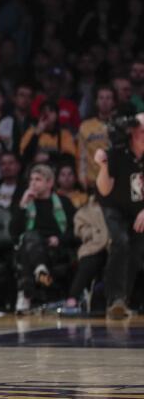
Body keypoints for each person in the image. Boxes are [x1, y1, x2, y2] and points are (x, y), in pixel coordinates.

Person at [94, 112, 144, 319]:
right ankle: (115, 299)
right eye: (141, 130)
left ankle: (125, 299)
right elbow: (105, 191)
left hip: (139, 209)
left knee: (136, 249)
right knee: (121, 241)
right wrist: (103, 166)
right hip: (114, 206)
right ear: (132, 133)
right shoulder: (117, 152)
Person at [10, 164, 76, 313]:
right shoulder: (24, 202)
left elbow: (74, 231)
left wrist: (59, 240)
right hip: (32, 245)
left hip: (55, 247)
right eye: (31, 179)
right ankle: (41, 271)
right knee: (30, 237)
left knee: (27, 248)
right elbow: (13, 233)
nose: (32, 183)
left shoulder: (64, 203)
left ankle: (25, 295)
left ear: (50, 183)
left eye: (38, 179)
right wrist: (22, 205)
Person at [77, 85, 114, 190]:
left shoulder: (120, 125)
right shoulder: (85, 126)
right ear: (96, 101)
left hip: (114, 180)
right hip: (92, 181)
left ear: (114, 102)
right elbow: (81, 155)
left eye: (108, 98)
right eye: (101, 98)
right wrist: (82, 177)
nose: (104, 101)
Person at [19, 100, 77, 166]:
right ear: (39, 116)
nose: (47, 114)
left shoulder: (65, 134)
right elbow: (24, 156)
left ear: (57, 115)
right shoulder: (31, 132)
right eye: (44, 111)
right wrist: (37, 133)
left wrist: (48, 157)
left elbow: (70, 158)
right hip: (35, 171)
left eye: (51, 111)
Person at [0, 83, 33, 154]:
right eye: (22, 95)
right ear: (14, 98)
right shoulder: (5, 120)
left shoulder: (35, 122)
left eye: (29, 96)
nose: (25, 99)